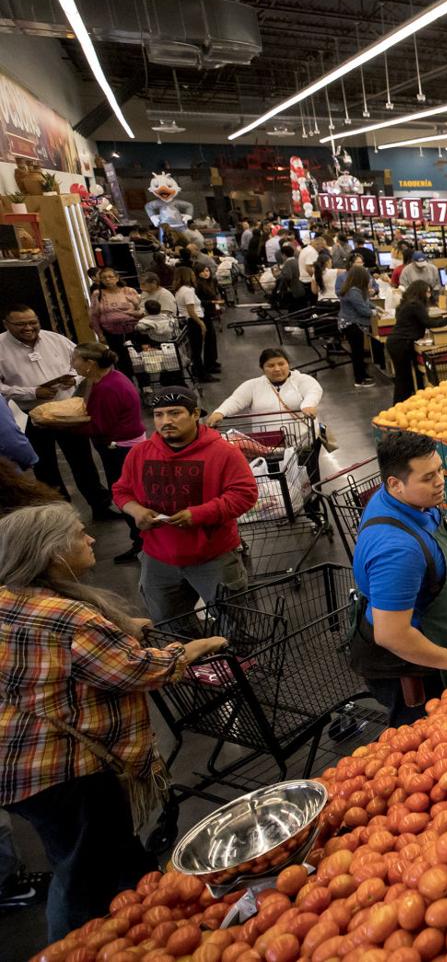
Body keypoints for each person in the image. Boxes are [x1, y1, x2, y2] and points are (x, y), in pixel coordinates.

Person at [0, 503, 226, 939]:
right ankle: (77, 946)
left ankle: (145, 928)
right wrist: (196, 647)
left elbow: (62, 658)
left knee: (109, 857)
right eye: (78, 534)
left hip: (20, 762)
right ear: (52, 553)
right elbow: (140, 672)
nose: (90, 538)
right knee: (82, 872)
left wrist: (120, 632)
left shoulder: (11, 598)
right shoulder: (73, 618)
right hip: (66, 770)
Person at [350, 431, 447, 726]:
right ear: (395, 484)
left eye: (440, 470)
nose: (440, 481)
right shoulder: (397, 550)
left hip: (435, 640)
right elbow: (391, 634)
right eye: (427, 477)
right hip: (412, 670)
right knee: (425, 742)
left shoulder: (411, 502)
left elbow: (432, 552)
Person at [112, 387, 257, 623]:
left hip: (213, 556)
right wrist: (135, 510)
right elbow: (122, 490)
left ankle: (238, 661)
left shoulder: (224, 453)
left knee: (235, 624)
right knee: (169, 625)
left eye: (174, 413)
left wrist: (198, 514)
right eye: (158, 415)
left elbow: (244, 494)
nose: (165, 421)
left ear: (195, 413)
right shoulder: (140, 453)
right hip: (157, 557)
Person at [0, 306, 112, 519]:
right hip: (33, 416)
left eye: (33, 322)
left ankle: (101, 507)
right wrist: (31, 392)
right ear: (7, 324)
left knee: (84, 462)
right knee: (45, 468)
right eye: (21, 324)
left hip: (66, 413)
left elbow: (81, 365)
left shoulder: (55, 339)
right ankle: (62, 514)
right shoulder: (1, 348)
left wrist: (74, 377)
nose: (29, 327)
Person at [68, 344, 146, 563]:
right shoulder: (113, 377)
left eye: (75, 360)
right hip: (126, 445)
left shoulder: (106, 388)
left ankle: (142, 545)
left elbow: (100, 427)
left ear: (90, 364)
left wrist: (62, 426)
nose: (73, 364)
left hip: (120, 449)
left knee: (125, 495)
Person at [207, 349, 322, 427]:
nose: (277, 369)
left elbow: (313, 391)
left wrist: (308, 405)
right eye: (271, 365)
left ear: (288, 364)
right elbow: (236, 400)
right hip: (267, 445)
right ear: (262, 368)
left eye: (281, 364)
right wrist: (220, 412)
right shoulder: (252, 385)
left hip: (303, 440)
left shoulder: (301, 379)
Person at [389, 280, 447, 405]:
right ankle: (399, 406)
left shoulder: (406, 304)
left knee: (404, 377)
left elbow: (420, 321)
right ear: (420, 292)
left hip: (397, 342)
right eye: (427, 292)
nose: (429, 295)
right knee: (403, 378)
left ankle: (406, 404)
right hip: (402, 343)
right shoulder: (416, 305)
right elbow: (428, 323)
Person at [87, 268, 141, 379]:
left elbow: (141, 309)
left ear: (117, 278)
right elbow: (94, 316)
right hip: (111, 333)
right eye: (104, 278)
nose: (107, 280)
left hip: (133, 330)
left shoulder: (129, 291)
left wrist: (133, 313)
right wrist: (100, 334)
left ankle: (145, 384)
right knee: (121, 360)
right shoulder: (97, 294)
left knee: (139, 358)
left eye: (110, 277)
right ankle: (127, 382)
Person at [338, 266, 376, 387]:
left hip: (350, 324)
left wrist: (375, 307)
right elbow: (363, 309)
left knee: (358, 352)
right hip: (351, 324)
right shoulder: (354, 291)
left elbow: (365, 302)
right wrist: (374, 312)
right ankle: (359, 379)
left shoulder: (353, 289)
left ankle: (363, 375)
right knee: (357, 352)